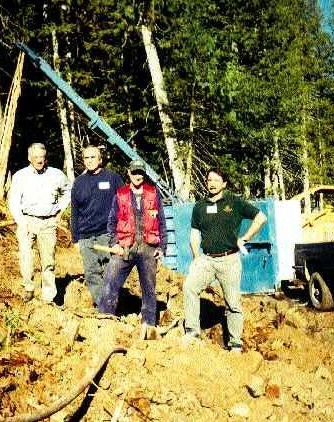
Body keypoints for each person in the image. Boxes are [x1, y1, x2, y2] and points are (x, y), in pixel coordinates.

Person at [183, 167, 266, 352]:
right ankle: (192, 332)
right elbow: (194, 234)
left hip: (229, 260)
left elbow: (261, 218)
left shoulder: (234, 203)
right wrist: (196, 257)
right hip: (206, 259)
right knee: (190, 287)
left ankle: (235, 343)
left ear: (224, 184)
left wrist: (244, 238)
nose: (211, 183)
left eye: (216, 180)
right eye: (209, 180)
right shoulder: (199, 206)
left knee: (233, 302)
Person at [97, 159, 167, 336]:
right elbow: (111, 222)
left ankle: (149, 325)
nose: (137, 176)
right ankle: (105, 321)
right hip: (125, 248)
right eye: (134, 172)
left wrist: (162, 247)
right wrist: (114, 244)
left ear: (144, 175)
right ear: (128, 173)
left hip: (148, 248)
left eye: (140, 173)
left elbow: (162, 223)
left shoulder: (153, 194)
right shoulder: (120, 195)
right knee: (110, 283)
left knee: (149, 288)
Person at [8, 142, 71, 303]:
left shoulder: (56, 175)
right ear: (30, 158)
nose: (39, 160)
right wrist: (21, 222)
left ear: (45, 158)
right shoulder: (20, 176)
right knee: (26, 256)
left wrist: (60, 211)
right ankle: (28, 287)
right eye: (35, 157)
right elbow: (13, 200)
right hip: (27, 220)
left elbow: (68, 191)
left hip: (48, 222)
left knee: (48, 260)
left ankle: (48, 295)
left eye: (41, 157)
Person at [70, 146, 124, 306]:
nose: (90, 161)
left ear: (100, 159)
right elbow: (75, 211)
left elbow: (124, 204)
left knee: (110, 272)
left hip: (106, 234)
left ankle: (112, 304)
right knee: (91, 273)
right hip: (86, 236)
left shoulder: (112, 178)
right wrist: (75, 238)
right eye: (86, 158)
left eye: (93, 157)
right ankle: (104, 306)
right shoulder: (79, 182)